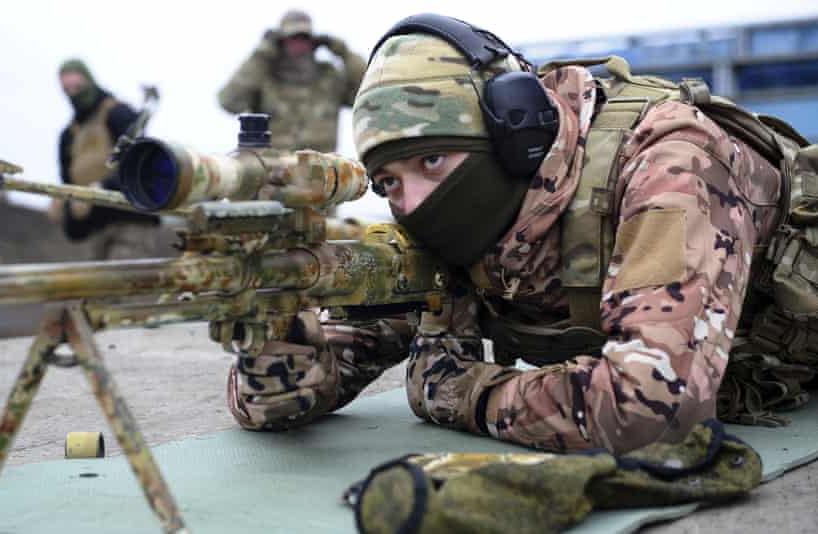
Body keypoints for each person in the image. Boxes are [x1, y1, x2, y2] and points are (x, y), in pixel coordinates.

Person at [226, 15, 789, 453]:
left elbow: (652, 413)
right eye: (388, 182)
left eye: (434, 159)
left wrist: (467, 393)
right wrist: (280, 324)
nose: (415, 202)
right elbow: (275, 404)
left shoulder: (667, 160)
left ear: (514, 130)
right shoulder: (454, 229)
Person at [50, 59, 165, 259]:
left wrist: (103, 187)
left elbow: (141, 164)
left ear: (87, 79)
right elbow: (67, 182)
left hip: (131, 222)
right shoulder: (68, 136)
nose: (73, 91)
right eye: (66, 87)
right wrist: (65, 204)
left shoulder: (118, 113)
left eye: (76, 84)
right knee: (96, 288)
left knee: (127, 285)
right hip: (94, 229)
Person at [217, 10, 366, 153]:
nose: (299, 45)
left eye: (304, 39)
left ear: (313, 42)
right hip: (273, 172)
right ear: (280, 42)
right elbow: (229, 102)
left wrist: (343, 51)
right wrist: (261, 54)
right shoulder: (264, 77)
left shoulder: (328, 77)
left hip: (320, 172)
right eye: (293, 39)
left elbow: (366, 93)